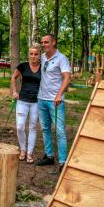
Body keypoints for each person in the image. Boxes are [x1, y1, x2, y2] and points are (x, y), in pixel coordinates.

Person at [36, 34, 71, 172]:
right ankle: (49, 156)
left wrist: (59, 95)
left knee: (60, 131)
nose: (44, 44)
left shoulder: (61, 58)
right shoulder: (43, 57)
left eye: (47, 42)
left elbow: (67, 78)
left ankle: (63, 162)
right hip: (42, 99)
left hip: (55, 101)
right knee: (45, 129)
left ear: (53, 42)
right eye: (42, 42)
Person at [10, 44, 41, 164]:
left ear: (39, 55)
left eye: (36, 54)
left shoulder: (43, 67)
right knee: (20, 126)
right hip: (22, 101)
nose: (33, 56)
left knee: (33, 127)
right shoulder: (22, 66)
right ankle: (23, 149)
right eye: (31, 54)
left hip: (36, 102)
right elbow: (14, 77)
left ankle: (29, 153)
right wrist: (14, 91)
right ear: (29, 54)